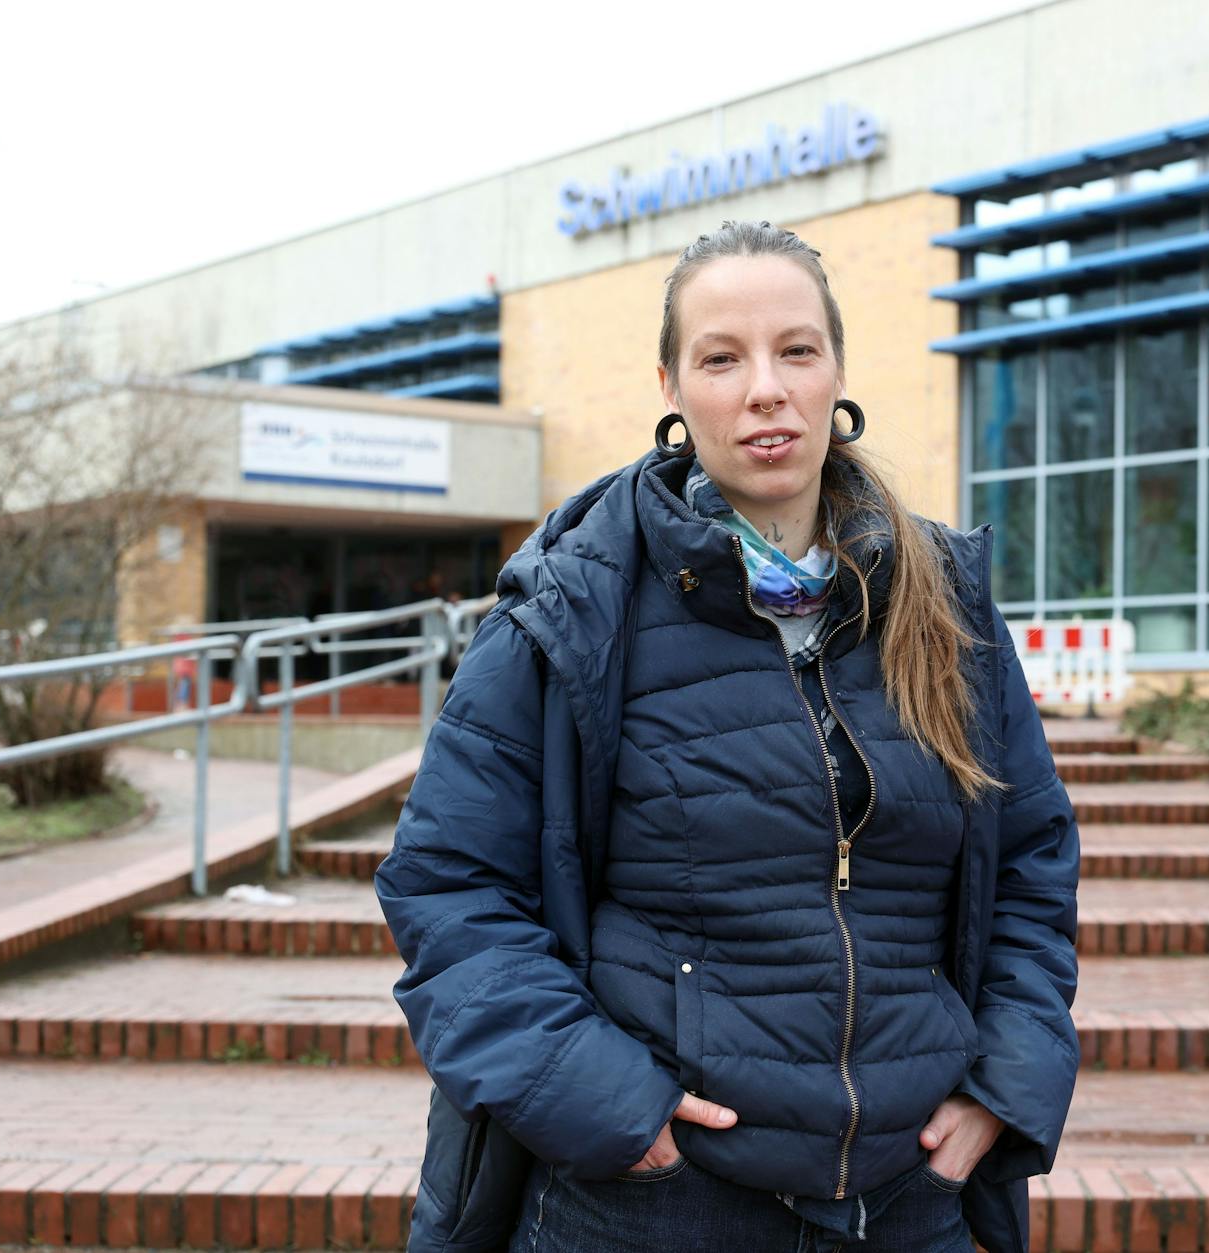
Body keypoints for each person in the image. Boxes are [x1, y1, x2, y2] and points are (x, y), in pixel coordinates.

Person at [375, 221, 1079, 1253]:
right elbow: (449, 883)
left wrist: (1000, 1089)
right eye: (721, 356)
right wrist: (612, 1108)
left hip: (910, 1195)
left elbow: (1027, 862)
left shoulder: (943, 602)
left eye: (796, 349)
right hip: (648, 1202)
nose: (765, 388)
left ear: (834, 368)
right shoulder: (571, 609)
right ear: (670, 382)